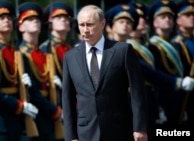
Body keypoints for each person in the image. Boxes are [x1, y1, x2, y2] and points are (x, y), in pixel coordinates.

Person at [105, 3, 194, 140]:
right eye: (121, 21)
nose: (126, 25)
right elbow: (147, 71)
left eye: (129, 22)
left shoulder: (130, 48)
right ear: (111, 26)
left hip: (145, 102)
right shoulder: (107, 49)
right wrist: (177, 82)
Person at [62, 5, 148, 141]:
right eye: (81, 25)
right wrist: (71, 136)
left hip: (119, 129)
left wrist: (140, 127)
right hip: (86, 132)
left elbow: (138, 92)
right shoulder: (70, 57)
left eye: (89, 25)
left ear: (102, 24)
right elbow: (67, 100)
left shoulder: (122, 51)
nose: (85, 30)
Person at [0, 1, 38, 141]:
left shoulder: (17, 53)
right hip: (2, 119)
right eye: (1, 18)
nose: (7, 20)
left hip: (19, 120)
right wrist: (19, 105)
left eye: (9, 18)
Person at [18, 2, 62, 141]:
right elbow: (32, 91)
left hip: (49, 115)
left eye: (37, 19)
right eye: (29, 20)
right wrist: (54, 110)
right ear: (21, 27)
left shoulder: (44, 54)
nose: (35, 21)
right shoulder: (20, 54)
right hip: (35, 112)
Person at [147, 0, 186, 127]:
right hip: (161, 101)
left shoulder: (175, 45)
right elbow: (154, 76)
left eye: (170, 17)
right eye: (163, 17)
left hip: (177, 100)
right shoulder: (151, 47)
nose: (168, 19)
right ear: (155, 23)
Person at [171, 0, 194, 128]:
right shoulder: (176, 43)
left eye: (193, 14)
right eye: (187, 15)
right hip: (184, 97)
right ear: (178, 20)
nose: (192, 17)